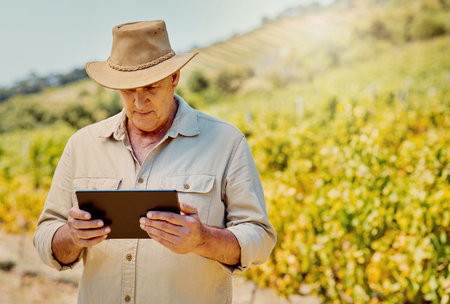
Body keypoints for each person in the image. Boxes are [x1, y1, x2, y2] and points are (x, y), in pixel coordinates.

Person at [34, 20, 276, 304]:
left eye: (150, 87)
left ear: (174, 78)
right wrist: (72, 236)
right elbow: (46, 238)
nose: (139, 103)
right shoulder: (82, 145)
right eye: (127, 91)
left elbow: (259, 239)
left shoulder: (226, 142)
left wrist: (202, 239)